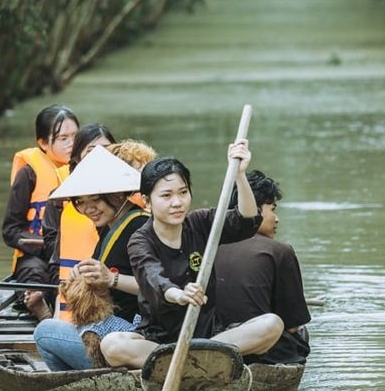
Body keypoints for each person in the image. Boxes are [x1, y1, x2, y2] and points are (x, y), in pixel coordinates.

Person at [100, 140, 284, 370]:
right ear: (147, 202)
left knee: (272, 324)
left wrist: (240, 175)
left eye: (183, 193)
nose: (177, 203)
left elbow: (245, 220)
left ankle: (195, 357)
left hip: (210, 336)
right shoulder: (140, 240)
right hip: (159, 341)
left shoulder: (200, 222)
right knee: (112, 345)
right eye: (166, 196)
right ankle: (194, 361)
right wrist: (178, 294)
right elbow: (151, 276)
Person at [33, 144, 153, 371]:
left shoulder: (138, 227)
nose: (89, 209)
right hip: (110, 329)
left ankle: (76, 387)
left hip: (130, 335)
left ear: (117, 193)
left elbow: (159, 286)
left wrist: (111, 279)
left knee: (44, 331)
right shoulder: (111, 227)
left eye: (96, 199)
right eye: (81, 202)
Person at [214, 170, 311, 364]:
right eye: (272, 209)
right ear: (255, 208)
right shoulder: (280, 251)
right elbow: (292, 325)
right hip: (260, 351)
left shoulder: (207, 244)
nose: (276, 219)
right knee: (301, 333)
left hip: (210, 340)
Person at [1, 104, 79, 318]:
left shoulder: (86, 169)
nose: (71, 143)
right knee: (36, 276)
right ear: (43, 143)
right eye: (63, 138)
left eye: (75, 136)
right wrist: (46, 247)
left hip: (76, 253)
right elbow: (11, 231)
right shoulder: (28, 174)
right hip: (37, 255)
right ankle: (40, 307)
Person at [42, 123, 117, 319]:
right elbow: (55, 259)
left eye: (107, 151)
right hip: (77, 297)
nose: (100, 158)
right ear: (77, 159)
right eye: (92, 152)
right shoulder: (61, 201)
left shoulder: (132, 200)